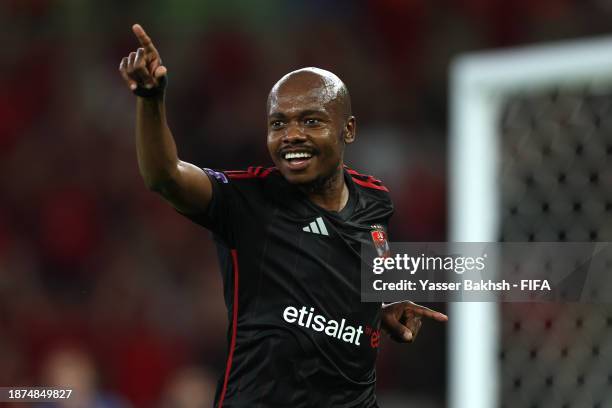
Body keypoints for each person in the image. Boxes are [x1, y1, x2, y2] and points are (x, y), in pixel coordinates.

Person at [119, 24, 448, 408]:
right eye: (279, 123)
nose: (291, 134)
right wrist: (150, 98)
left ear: (349, 130)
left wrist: (381, 309)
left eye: (311, 121)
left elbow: (367, 268)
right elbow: (165, 176)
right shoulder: (247, 200)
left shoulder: (375, 199)